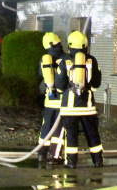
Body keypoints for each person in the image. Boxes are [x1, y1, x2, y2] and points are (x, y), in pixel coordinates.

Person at [55, 30, 104, 168]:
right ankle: (98, 161)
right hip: (88, 108)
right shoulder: (92, 60)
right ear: (85, 45)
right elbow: (96, 83)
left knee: (71, 135)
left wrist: (65, 90)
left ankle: (71, 163)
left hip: (69, 109)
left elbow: (59, 86)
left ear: (70, 46)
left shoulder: (64, 61)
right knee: (92, 134)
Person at [38, 32, 69, 164]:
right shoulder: (66, 58)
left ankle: (41, 154)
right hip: (62, 100)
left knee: (46, 127)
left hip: (49, 100)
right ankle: (54, 156)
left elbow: (41, 75)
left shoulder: (44, 59)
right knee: (59, 129)